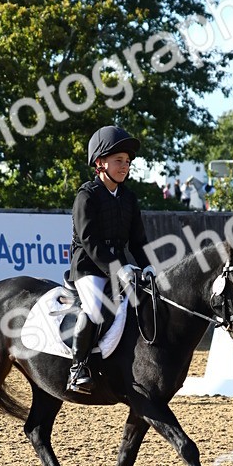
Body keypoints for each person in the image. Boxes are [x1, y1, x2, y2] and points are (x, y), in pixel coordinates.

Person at [67, 125, 154, 394]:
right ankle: (77, 368)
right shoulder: (87, 196)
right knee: (95, 308)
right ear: (100, 163)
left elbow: (137, 241)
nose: (125, 166)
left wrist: (148, 265)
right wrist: (119, 269)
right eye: (119, 161)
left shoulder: (129, 198)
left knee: (149, 300)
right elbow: (90, 242)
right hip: (88, 268)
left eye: (127, 162)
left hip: (121, 268)